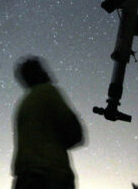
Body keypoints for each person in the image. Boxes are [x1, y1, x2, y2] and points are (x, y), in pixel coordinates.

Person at [12, 56, 84, 189]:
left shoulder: (23, 104)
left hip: (24, 178)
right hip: (52, 175)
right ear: (40, 72)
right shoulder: (48, 91)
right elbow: (75, 133)